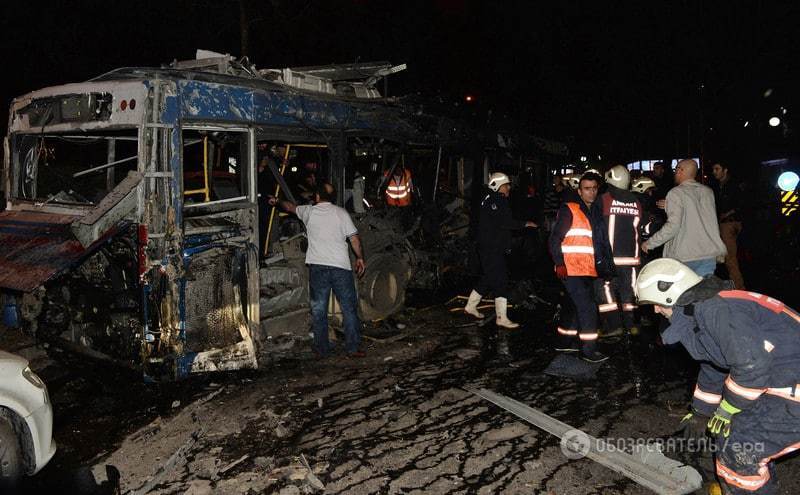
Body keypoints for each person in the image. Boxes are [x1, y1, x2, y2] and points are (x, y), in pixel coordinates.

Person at [635, 258, 800, 495]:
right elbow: (716, 364)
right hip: (784, 381)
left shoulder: (713, 309)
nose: (655, 310)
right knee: (739, 438)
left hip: (790, 386)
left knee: (739, 448)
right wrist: (702, 412)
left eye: (658, 304)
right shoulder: (706, 308)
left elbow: (751, 366)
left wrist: (727, 408)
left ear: (672, 295)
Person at [268, 182, 366, 358]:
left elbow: (290, 207)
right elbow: (354, 239)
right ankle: (352, 348)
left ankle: (322, 349)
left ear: (317, 197)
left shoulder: (309, 212)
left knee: (319, 310)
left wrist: (277, 201)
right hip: (340, 268)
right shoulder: (341, 213)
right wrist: (360, 258)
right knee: (349, 309)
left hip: (318, 268)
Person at [549, 172, 614, 362]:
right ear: (579, 190)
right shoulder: (570, 209)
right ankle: (589, 350)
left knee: (572, 306)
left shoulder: (593, 211)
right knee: (588, 308)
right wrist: (559, 263)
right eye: (587, 189)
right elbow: (554, 238)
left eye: (594, 189)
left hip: (587, 269)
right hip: (570, 269)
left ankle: (563, 342)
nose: (591, 192)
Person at [463, 172, 537, 329]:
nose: (509, 187)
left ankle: (471, 306)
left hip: (490, 247)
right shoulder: (496, 200)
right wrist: (525, 224)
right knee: (500, 280)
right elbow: (504, 222)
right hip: (491, 248)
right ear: (497, 186)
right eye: (506, 185)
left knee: (489, 278)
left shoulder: (491, 199)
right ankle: (501, 317)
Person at [641, 159, 726, 277]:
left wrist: (649, 243)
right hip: (708, 253)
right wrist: (670, 205)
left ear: (681, 171)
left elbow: (673, 226)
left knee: (684, 293)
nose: (675, 172)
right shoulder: (708, 192)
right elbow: (698, 214)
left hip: (685, 256)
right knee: (704, 292)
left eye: (676, 169)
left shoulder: (676, 193)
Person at [596, 165, 643, 336]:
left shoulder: (603, 200)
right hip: (632, 259)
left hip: (610, 259)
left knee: (604, 290)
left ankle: (612, 325)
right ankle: (632, 325)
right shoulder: (636, 202)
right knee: (629, 292)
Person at [712, 161, 746, 289]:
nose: (714, 172)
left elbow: (740, 204)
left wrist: (726, 215)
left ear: (725, 170)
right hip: (728, 223)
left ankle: (739, 287)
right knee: (730, 257)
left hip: (730, 223)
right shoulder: (719, 186)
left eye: (717, 169)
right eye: (714, 169)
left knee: (730, 258)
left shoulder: (732, 186)